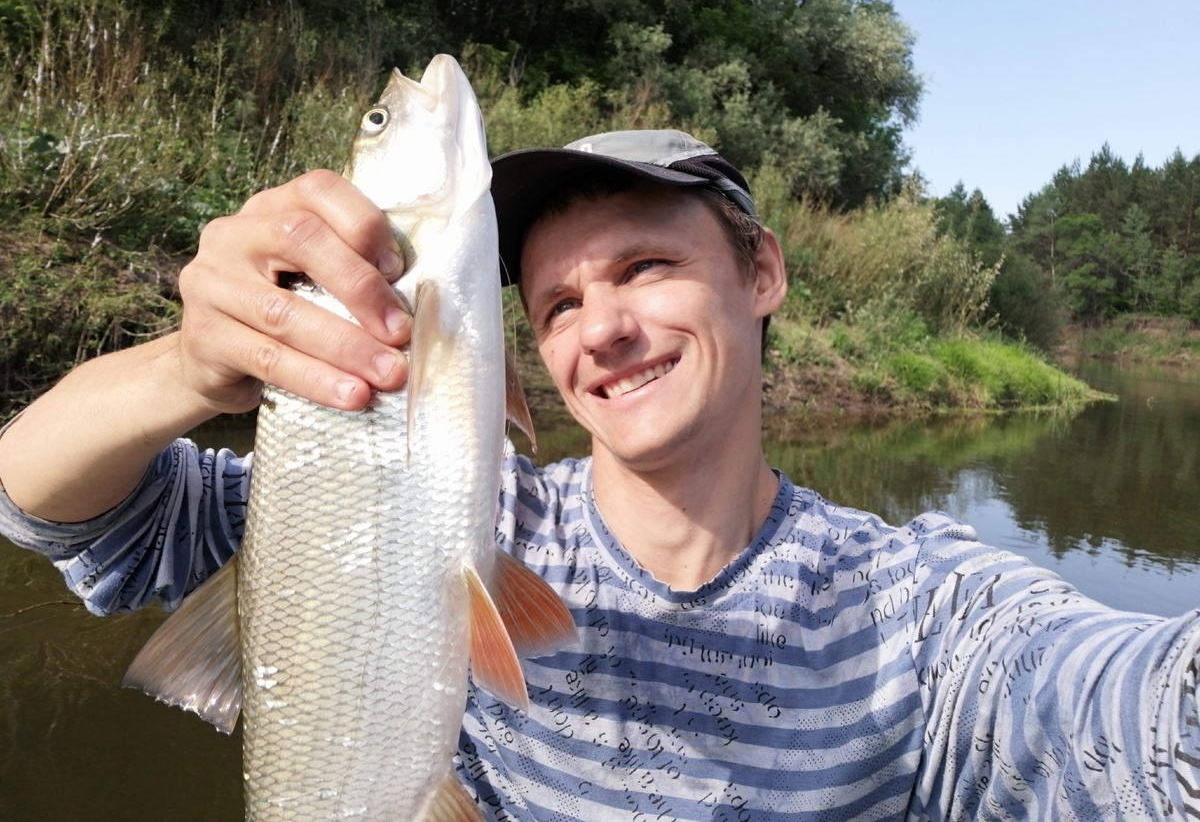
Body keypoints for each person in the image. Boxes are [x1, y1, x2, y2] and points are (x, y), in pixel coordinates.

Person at [1, 128, 1198, 820]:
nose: (605, 328)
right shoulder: (438, 519)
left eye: (645, 269)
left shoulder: (923, 614)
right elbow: (47, 504)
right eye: (559, 303)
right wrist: (189, 365)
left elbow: (1138, 718)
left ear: (763, 274)